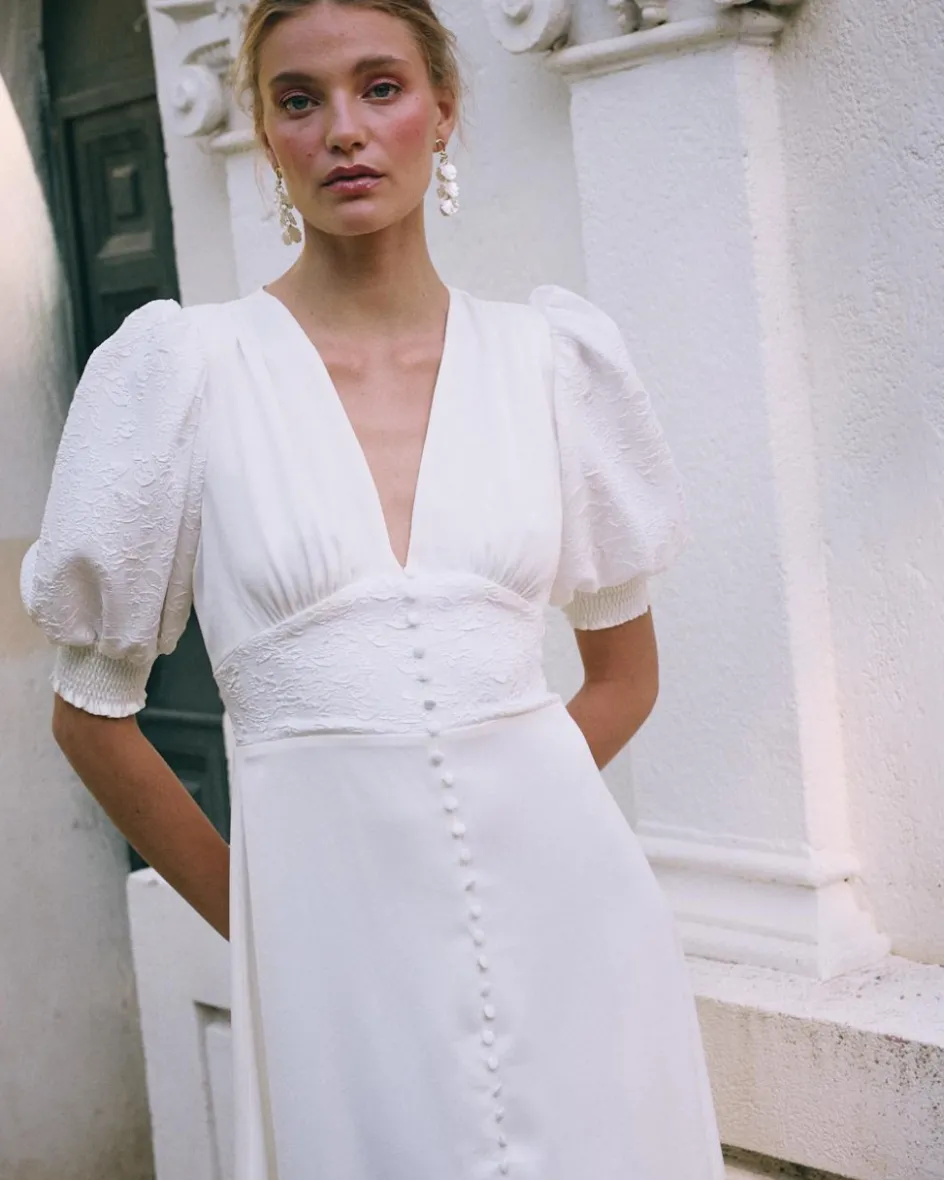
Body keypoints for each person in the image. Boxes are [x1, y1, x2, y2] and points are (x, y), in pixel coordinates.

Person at [21, 1, 725, 1177]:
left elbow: (624, 675)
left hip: (568, 914)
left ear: (442, 108)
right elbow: (90, 719)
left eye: (380, 87)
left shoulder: (552, 362)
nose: (342, 129)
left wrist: (505, 816)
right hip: (327, 950)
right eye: (299, 100)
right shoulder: (183, 372)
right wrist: (270, 924)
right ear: (264, 131)